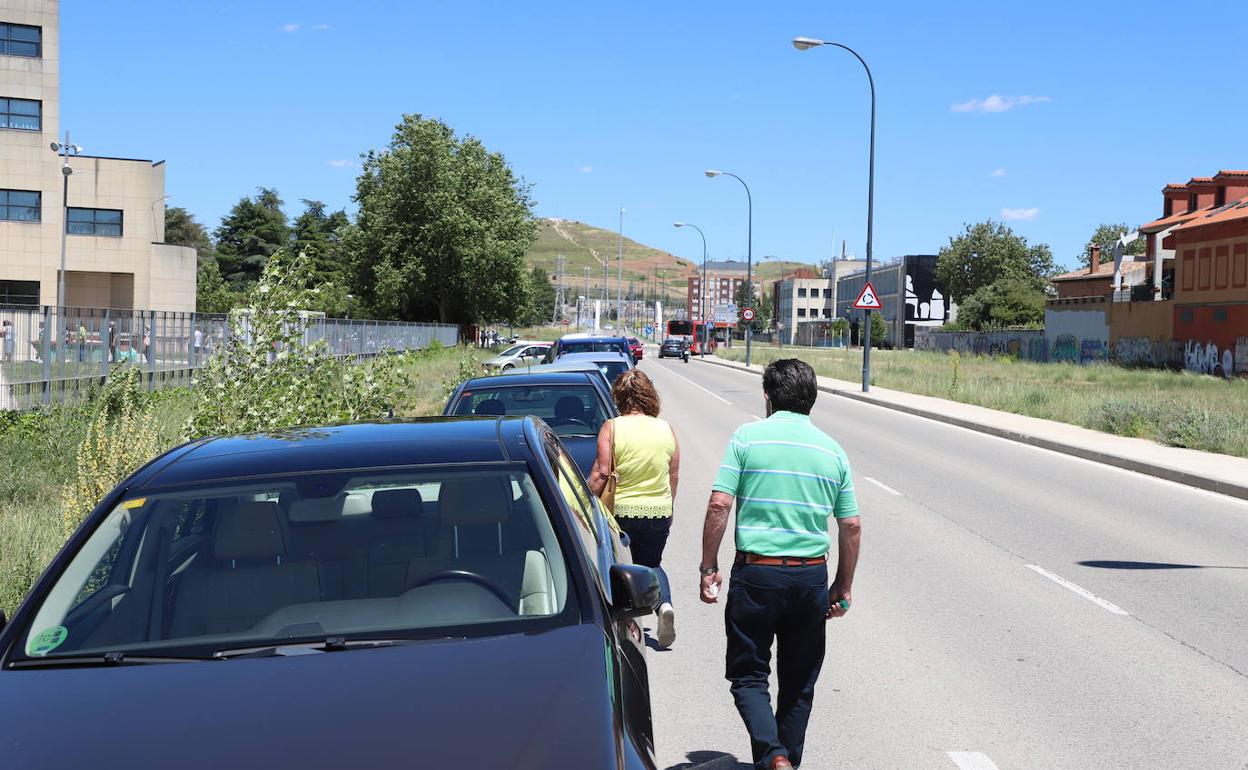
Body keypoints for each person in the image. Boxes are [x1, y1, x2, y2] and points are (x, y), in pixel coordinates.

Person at [699, 358, 861, 770]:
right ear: (812, 399)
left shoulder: (747, 438)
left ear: (768, 397)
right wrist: (842, 587)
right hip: (810, 576)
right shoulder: (832, 450)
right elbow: (851, 525)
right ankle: (786, 759)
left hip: (757, 573)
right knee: (800, 680)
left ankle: (773, 757)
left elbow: (720, 503)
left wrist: (708, 565)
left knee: (749, 674)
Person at [588, 369, 681, 648]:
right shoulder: (666, 429)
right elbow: (673, 474)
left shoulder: (612, 427)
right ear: (649, 395)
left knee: (623, 568)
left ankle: (627, 626)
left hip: (624, 511)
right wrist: (669, 505)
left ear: (619, 396)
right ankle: (664, 606)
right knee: (652, 563)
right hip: (659, 510)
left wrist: (585, 500)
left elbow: (602, 473)